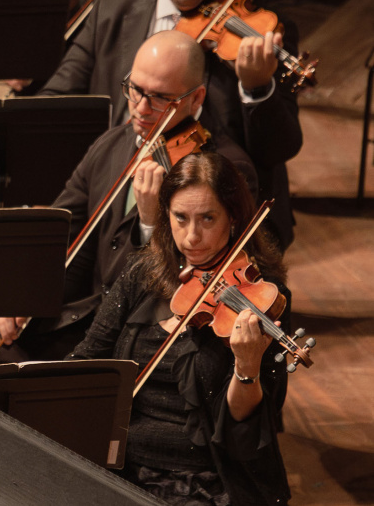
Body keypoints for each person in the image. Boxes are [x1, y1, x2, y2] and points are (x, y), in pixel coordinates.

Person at [0, 31, 257, 365]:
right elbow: (61, 231)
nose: (141, 108)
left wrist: (150, 224)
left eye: (161, 98)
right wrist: (23, 292)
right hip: (81, 322)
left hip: (148, 338)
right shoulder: (113, 144)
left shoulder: (227, 169)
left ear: (196, 98)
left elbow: (197, 284)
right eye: (136, 89)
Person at [68, 151, 290, 505]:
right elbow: (87, 358)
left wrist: (247, 367)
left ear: (233, 217)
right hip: (122, 464)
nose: (191, 237)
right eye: (180, 218)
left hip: (208, 479)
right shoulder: (143, 274)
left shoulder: (262, 297)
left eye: (207, 219)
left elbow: (245, 433)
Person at [39, 0, 301, 250]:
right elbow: (54, 103)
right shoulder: (112, 11)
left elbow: (279, 149)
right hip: (113, 200)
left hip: (216, 218)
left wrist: (257, 88)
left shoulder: (260, 32)